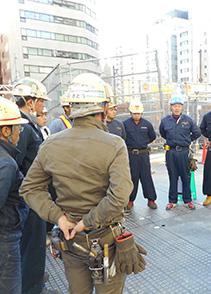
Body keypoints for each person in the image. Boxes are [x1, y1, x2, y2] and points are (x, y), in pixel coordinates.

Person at [19, 73, 147, 294]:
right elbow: (119, 197)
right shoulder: (114, 144)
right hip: (106, 239)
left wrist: (59, 217)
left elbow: (29, 188)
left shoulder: (51, 144)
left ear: (71, 107)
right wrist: (88, 222)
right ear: (104, 106)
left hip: (70, 240)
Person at [13, 78, 55, 294]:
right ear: (30, 101)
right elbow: (15, 164)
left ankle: (35, 282)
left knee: (30, 246)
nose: (42, 106)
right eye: (40, 101)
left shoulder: (24, 124)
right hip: (30, 199)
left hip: (30, 196)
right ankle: (33, 288)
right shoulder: (24, 127)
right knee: (33, 247)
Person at [0, 97, 29, 294]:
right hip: (5, 239)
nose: (20, 132)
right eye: (18, 128)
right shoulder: (6, 164)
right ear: (6, 131)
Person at [159, 95, 201, 210]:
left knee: (185, 176)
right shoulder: (165, 121)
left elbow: (197, 133)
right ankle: (172, 201)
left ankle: (187, 200)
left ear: (182, 107)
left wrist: (187, 140)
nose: (176, 108)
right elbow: (163, 133)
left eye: (179, 106)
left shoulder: (188, 120)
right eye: (174, 106)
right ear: (171, 108)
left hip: (184, 152)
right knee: (172, 176)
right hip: (171, 152)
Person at [123, 100, 158, 213]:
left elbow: (152, 136)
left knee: (146, 176)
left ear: (141, 113)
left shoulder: (147, 124)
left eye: (138, 113)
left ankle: (151, 199)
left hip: (143, 154)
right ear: (130, 113)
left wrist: (143, 143)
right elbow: (122, 137)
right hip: (131, 155)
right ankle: (130, 200)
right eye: (134, 113)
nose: (136, 115)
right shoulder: (125, 124)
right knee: (131, 178)